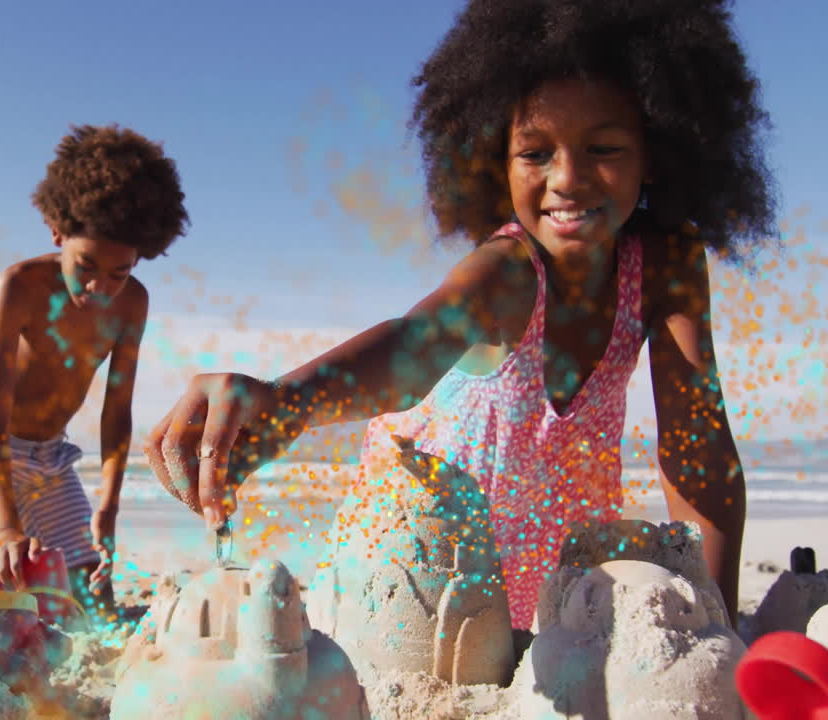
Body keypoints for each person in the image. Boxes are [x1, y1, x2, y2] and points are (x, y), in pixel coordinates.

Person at [143, 0, 776, 628]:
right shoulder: (506, 270)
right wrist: (286, 401)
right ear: (494, 160)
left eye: (604, 148)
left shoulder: (668, 263)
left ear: (657, 151)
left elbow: (698, 444)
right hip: (422, 557)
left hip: (553, 551)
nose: (568, 178)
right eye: (535, 153)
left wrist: (718, 622)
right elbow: (413, 346)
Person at [0, 123, 190, 619]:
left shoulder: (132, 304)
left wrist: (108, 506)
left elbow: (117, 411)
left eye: (119, 272)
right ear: (57, 232)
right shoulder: (20, 285)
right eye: (85, 264)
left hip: (50, 458)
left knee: (92, 596)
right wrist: (4, 529)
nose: (98, 287)